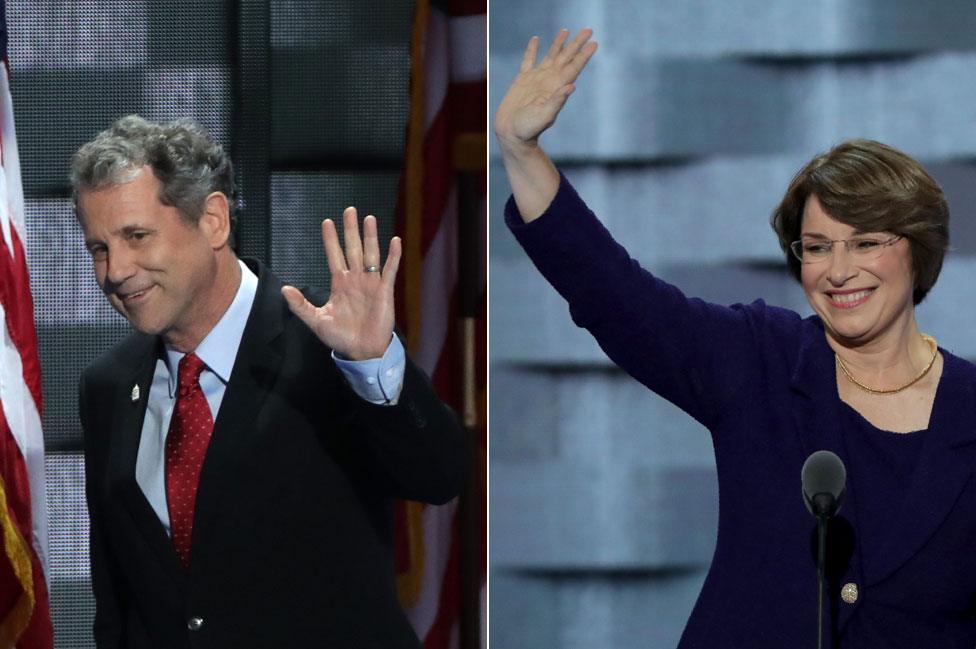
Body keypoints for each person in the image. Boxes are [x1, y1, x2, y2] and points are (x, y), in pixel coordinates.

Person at [495, 29, 976, 648]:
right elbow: (618, 296)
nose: (837, 271)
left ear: (919, 249)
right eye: (817, 247)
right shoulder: (761, 360)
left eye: (866, 243)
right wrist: (521, 149)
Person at [74, 115, 470, 649]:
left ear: (213, 219)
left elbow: (440, 476)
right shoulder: (107, 387)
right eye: (99, 247)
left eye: (136, 236)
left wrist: (375, 365)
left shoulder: (323, 349)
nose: (115, 270)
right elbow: (117, 605)